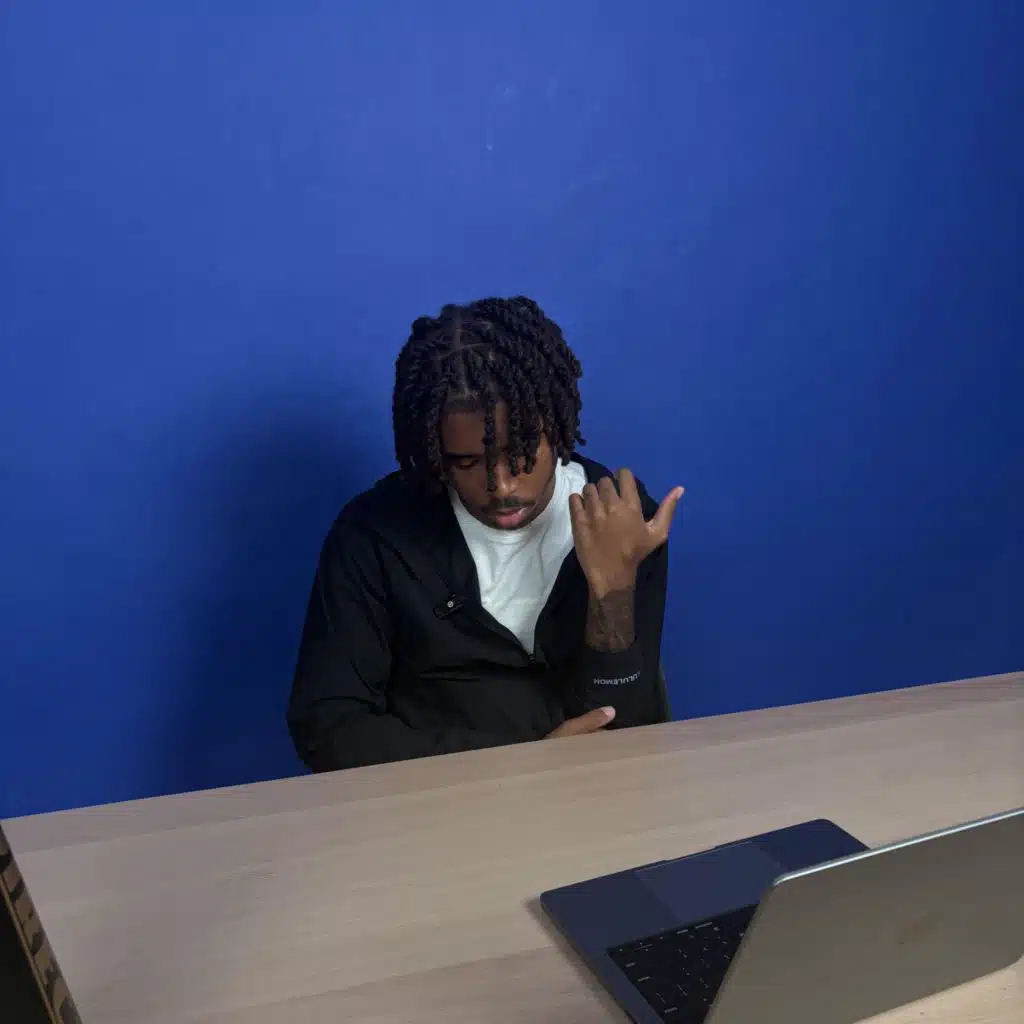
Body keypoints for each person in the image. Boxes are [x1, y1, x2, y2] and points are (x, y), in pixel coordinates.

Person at [287, 296, 684, 772]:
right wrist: (522, 762)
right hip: (435, 805)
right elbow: (328, 726)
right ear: (433, 450)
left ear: (557, 429)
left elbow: (633, 731)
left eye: (520, 454)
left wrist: (612, 595)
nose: (501, 488)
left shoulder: (621, 518)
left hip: (595, 797)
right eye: (466, 463)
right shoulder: (373, 536)